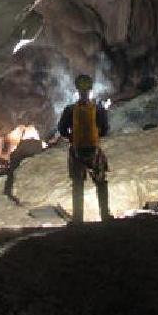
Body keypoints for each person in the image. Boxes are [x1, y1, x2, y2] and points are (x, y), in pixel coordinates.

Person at [57, 74, 112, 223]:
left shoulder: (70, 110)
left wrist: (72, 137)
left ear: (77, 89)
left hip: (77, 150)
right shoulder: (98, 108)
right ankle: (105, 216)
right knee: (100, 182)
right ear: (90, 88)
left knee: (77, 185)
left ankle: (77, 219)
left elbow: (62, 129)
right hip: (93, 150)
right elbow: (105, 129)